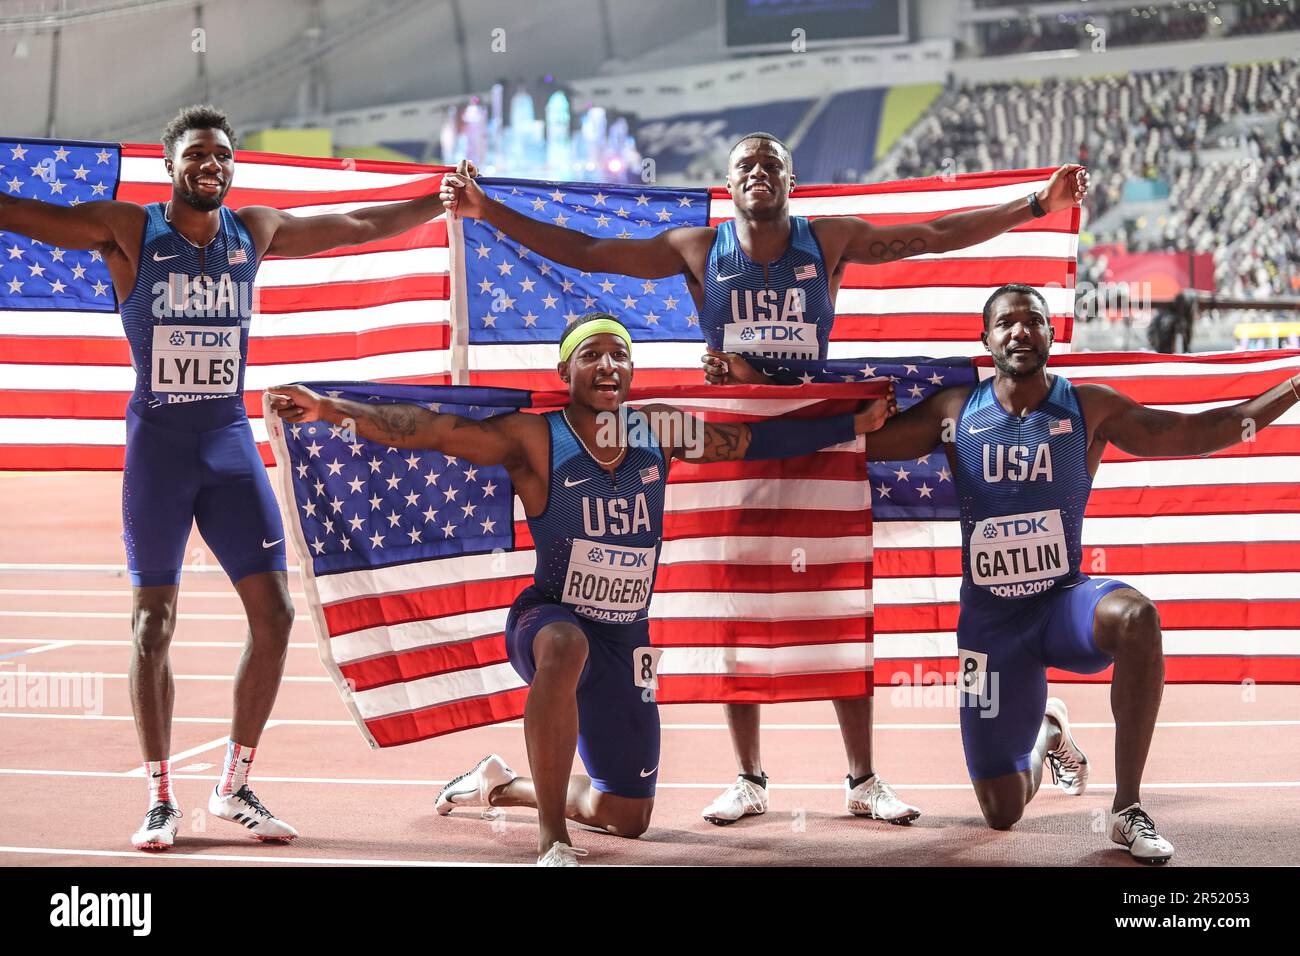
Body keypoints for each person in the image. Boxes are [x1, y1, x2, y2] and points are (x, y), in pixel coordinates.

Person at [441, 132, 1090, 826]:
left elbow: (929, 236)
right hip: (737, 446)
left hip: (820, 432)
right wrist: (487, 211)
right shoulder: (699, 248)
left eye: (770, 163)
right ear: (728, 184)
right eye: (745, 164)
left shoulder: (828, 240)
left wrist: (1033, 205)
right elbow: (592, 252)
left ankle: (863, 778)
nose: (758, 171)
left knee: (839, 599)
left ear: (790, 179)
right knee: (737, 605)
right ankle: (749, 777)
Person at [268, 313, 895, 864]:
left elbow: (752, 441)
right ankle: (552, 840)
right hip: (548, 620)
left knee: (627, 815)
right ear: (565, 370)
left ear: (633, 371)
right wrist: (330, 409)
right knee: (567, 645)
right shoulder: (535, 437)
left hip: (626, 641)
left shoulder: (658, 431)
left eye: (619, 353)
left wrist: (849, 423)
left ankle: (501, 785)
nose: (608, 364)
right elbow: (428, 429)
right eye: (591, 354)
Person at [0, 105, 455, 850]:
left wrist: (435, 200)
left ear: (231, 165)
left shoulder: (255, 231)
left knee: (275, 616)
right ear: (170, 166)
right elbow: (31, 217)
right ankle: (159, 798)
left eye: (220, 155)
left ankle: (233, 785)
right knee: (153, 624)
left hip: (228, 445)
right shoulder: (129, 229)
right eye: (195, 155)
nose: (209, 166)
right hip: (160, 449)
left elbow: (358, 224)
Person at [863, 281, 1300, 863]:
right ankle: (1049, 729)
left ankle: (1126, 809)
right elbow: (860, 444)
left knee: (1137, 617)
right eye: (1006, 322)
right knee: (1001, 811)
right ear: (986, 338)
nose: (1021, 331)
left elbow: (1198, 433)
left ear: (1051, 333)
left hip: (1062, 604)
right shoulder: (955, 410)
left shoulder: (1089, 406)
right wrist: (768, 411)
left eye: (1033, 320)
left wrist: (1293, 387)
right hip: (990, 628)